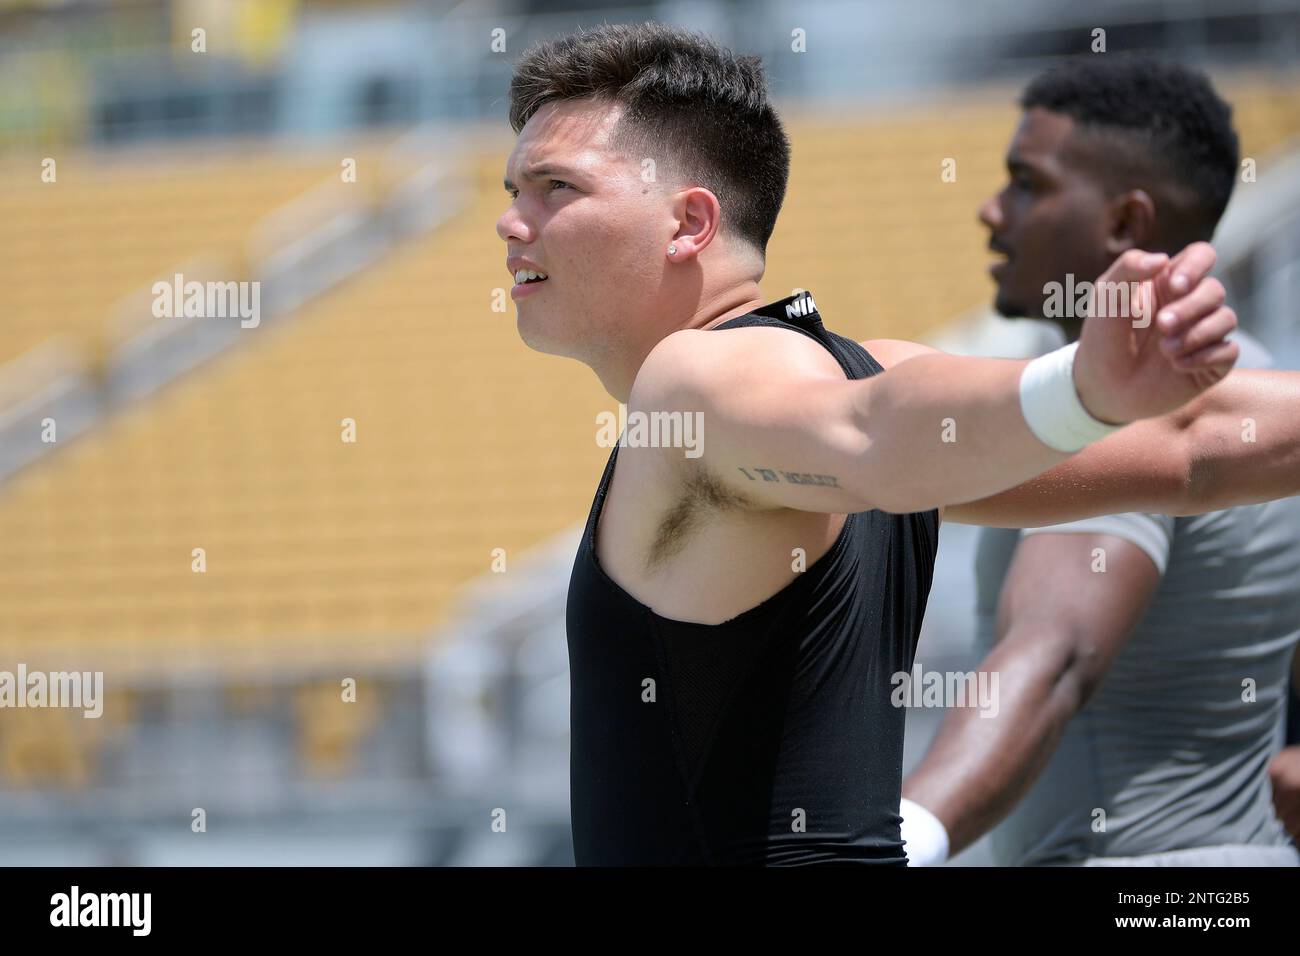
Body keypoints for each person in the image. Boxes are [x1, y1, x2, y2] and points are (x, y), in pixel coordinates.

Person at [495, 23, 1296, 865]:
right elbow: (1198, 442)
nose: (512, 223)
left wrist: (1081, 391)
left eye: (556, 187)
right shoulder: (846, 372)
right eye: (513, 189)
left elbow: (868, 433)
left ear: (690, 223)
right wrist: (1084, 395)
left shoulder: (695, 382)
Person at [901, 57, 1300, 867]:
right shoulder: (1255, 398)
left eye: (1027, 184)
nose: (991, 210)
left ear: (1125, 224)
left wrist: (896, 845)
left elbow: (1053, 654)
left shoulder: (1134, 405)